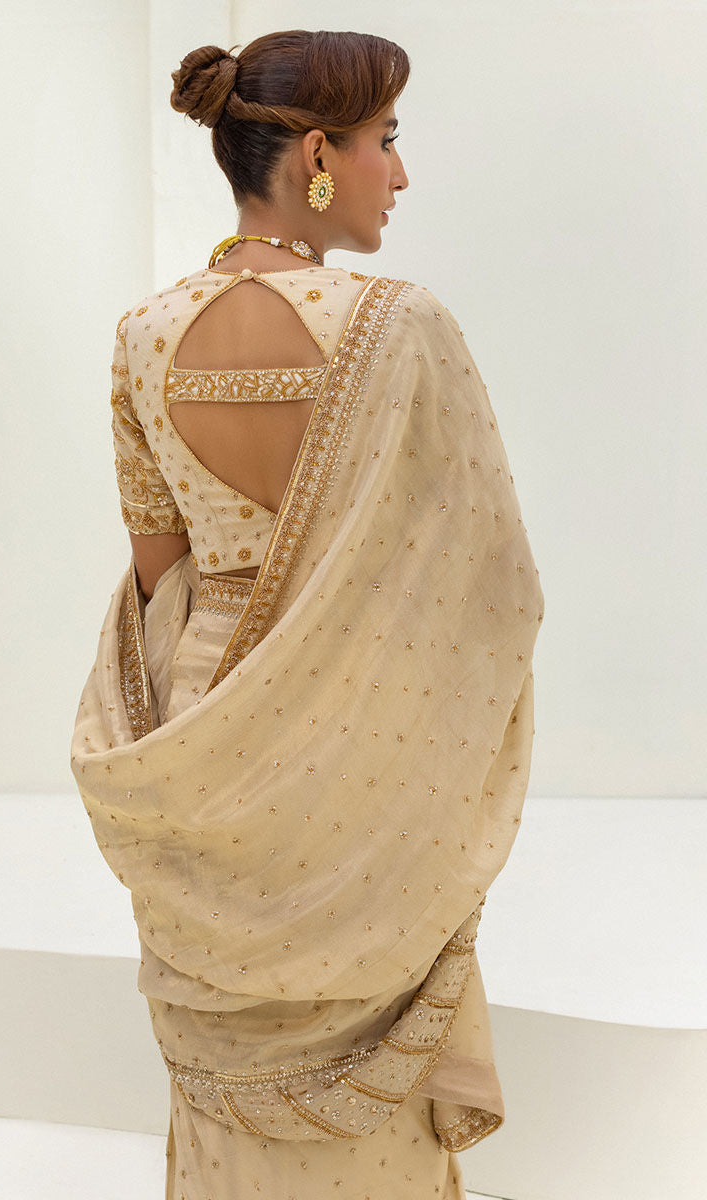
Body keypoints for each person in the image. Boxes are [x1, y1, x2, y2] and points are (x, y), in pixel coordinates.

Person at [71, 29, 543, 1200]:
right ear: (319, 155)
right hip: (362, 745)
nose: (400, 172)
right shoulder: (401, 325)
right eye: (387, 140)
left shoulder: (141, 336)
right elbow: (491, 580)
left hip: (203, 727)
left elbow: (154, 580)